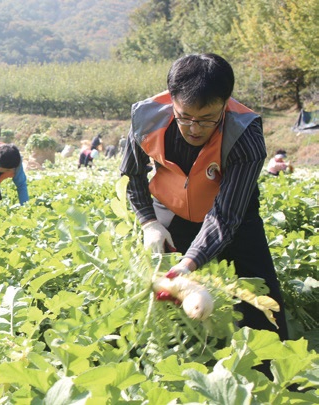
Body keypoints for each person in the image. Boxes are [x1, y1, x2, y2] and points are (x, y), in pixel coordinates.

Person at [120, 53, 288, 341]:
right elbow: (131, 174)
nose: (194, 129)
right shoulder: (146, 119)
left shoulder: (245, 136)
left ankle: (271, 372)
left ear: (225, 104)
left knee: (259, 298)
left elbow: (226, 215)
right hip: (170, 211)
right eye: (184, 117)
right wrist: (148, 222)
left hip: (233, 217)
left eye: (207, 119)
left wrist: (189, 263)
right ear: (171, 99)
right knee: (160, 298)